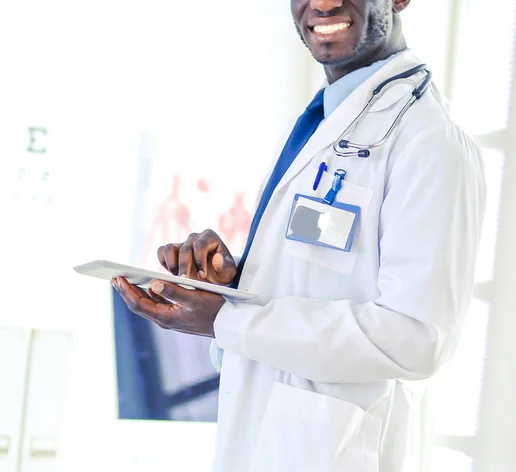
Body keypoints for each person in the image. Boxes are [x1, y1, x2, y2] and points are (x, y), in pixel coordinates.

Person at [113, 0, 486, 470]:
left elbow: (416, 338)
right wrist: (234, 286)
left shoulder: (431, 141)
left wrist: (228, 322)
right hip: (263, 435)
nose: (324, 3)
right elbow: (324, 263)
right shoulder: (329, 119)